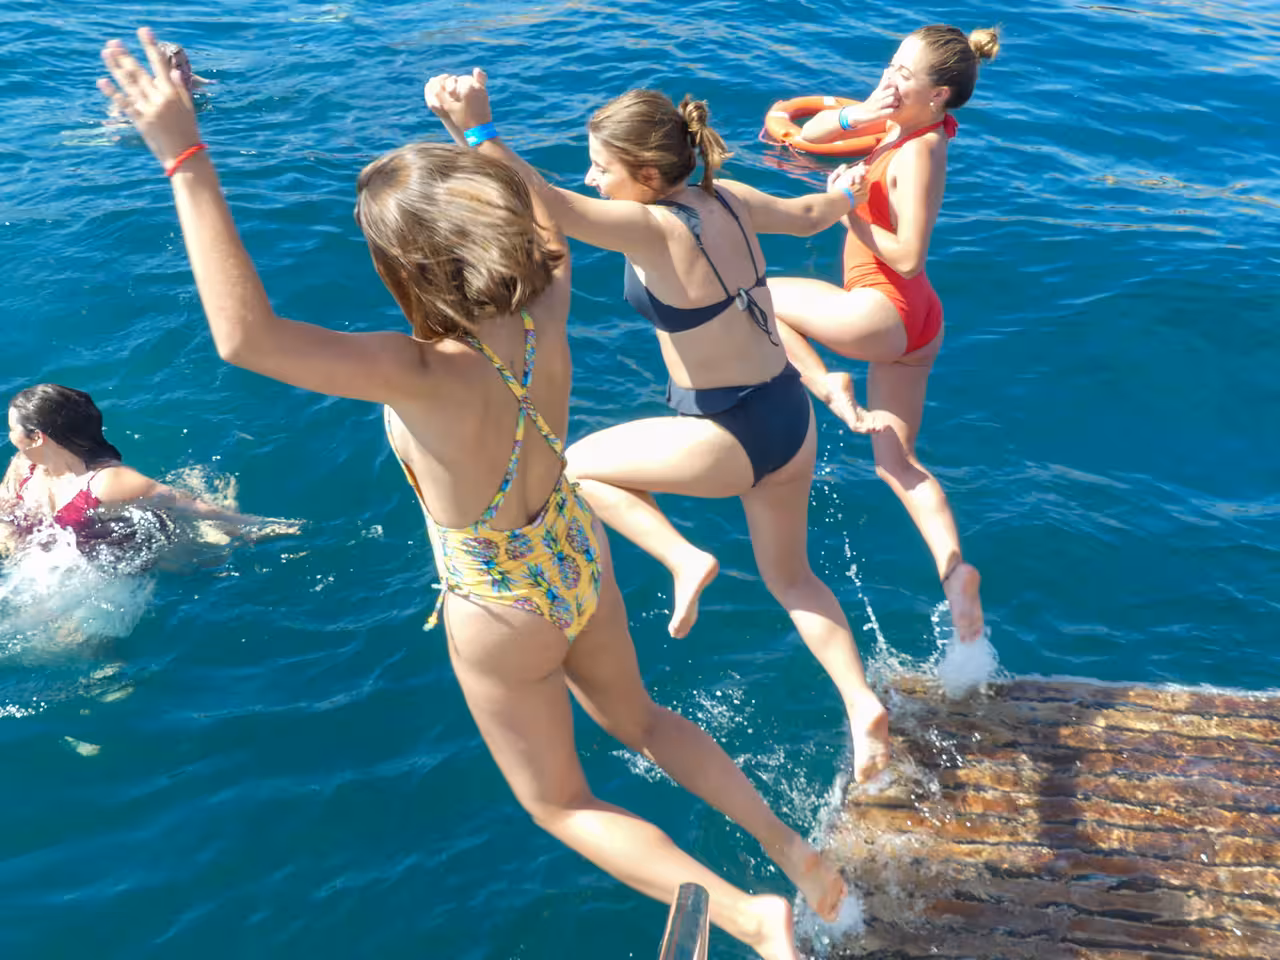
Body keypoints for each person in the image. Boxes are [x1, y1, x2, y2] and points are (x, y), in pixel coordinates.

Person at [97, 29, 846, 959]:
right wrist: (473, 132)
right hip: (577, 552)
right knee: (644, 721)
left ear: (400, 269)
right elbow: (539, 220)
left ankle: (749, 915)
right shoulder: (548, 303)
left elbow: (246, 337)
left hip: (500, 598)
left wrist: (185, 156)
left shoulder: (417, 371)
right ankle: (792, 853)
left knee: (560, 801)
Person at [425, 71, 892, 784]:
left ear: (645, 175)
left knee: (573, 468)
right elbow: (806, 214)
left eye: (602, 168)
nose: (591, 177)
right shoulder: (727, 198)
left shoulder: (651, 225)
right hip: (789, 415)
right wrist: (846, 194)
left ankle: (682, 559)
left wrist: (481, 127)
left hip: (727, 429)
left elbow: (546, 203)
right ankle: (862, 706)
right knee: (794, 579)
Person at [767, 25, 1000, 646]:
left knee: (751, 295)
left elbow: (908, 255)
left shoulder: (922, 150)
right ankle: (956, 575)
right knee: (896, 464)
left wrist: (845, 211)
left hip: (886, 307)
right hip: (914, 325)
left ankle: (827, 383)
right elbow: (809, 137)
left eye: (905, 74)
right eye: (891, 64)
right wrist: (867, 108)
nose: (891, 77)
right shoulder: (898, 128)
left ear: (940, 95)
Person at [1, 383, 250, 556]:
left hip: (119, 567)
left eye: (12, 429)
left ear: (37, 438)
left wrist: (266, 528)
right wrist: (17, 549)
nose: (10, 436)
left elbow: (193, 506)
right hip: (49, 564)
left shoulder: (107, 482)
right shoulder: (24, 466)